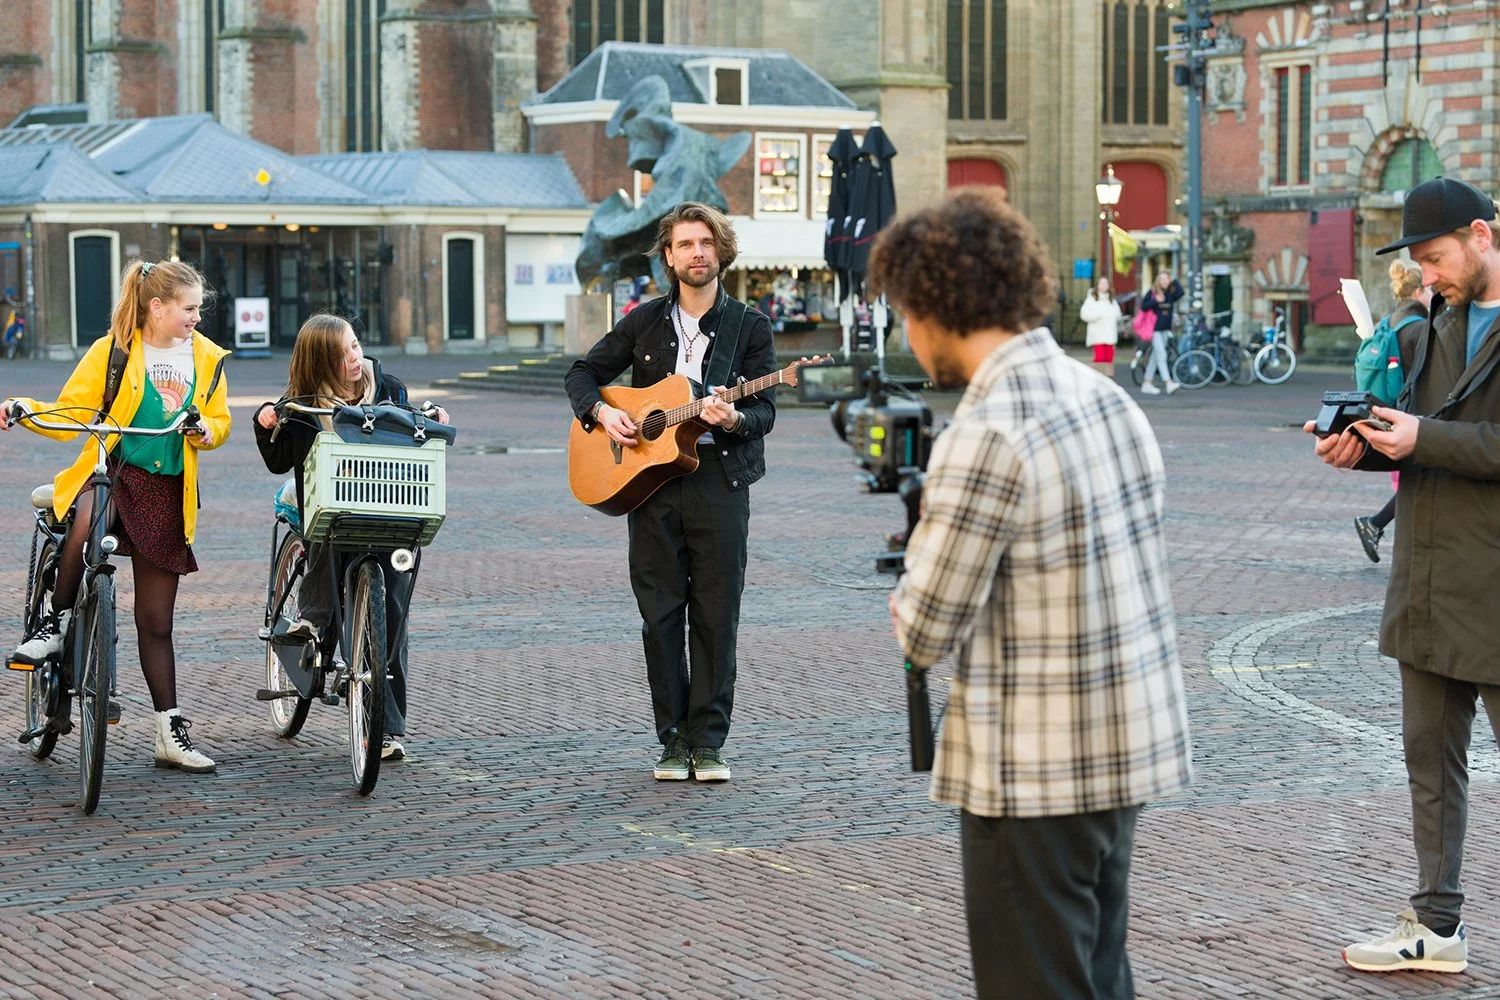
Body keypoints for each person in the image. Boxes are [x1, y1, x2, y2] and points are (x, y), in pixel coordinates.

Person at [876, 188, 1192, 999]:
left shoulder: (985, 434)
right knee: (1097, 973)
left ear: (937, 304)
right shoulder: (1105, 397)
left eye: (905, 313)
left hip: (1032, 771)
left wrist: (910, 579)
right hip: (1123, 749)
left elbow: (926, 628)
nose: (906, 337)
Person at [1308, 176, 1500, 975]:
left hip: (1493, 587)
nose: (1429, 277)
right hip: (1425, 581)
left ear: (1484, 235)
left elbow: (1460, 441)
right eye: (1420, 265)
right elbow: (1415, 436)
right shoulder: (1432, 327)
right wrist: (1361, 445)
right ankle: (1437, 925)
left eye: (1437, 258)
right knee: (1429, 760)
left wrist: (1421, 438)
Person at [564, 201, 777, 783]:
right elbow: (582, 373)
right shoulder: (643, 320)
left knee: (716, 615)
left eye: (706, 242)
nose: (697, 253)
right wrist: (603, 418)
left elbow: (764, 412)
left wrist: (731, 420)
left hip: (719, 482)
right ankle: (671, 739)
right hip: (649, 484)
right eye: (685, 244)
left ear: (721, 250)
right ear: (668, 256)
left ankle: (708, 743)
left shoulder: (749, 327)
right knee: (659, 616)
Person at [3, 260, 231, 773]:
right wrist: (23, 406)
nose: (197, 318)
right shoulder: (113, 352)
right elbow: (71, 415)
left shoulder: (208, 358)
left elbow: (220, 422)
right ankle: (55, 622)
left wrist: (206, 432)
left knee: (156, 621)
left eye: (198, 309)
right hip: (114, 470)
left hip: (167, 487)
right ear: (157, 306)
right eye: (189, 308)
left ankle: (169, 732)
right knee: (86, 516)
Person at [252, 314, 447, 761]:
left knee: (391, 619)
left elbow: (415, 428)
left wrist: (432, 417)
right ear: (320, 362)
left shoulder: (390, 388)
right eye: (342, 354)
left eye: (356, 346)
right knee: (325, 542)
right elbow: (279, 460)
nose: (355, 358)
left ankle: (387, 728)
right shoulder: (301, 404)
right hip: (332, 511)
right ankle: (312, 620)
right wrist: (265, 423)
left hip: (392, 508)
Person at [1353, 260, 1431, 563]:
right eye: (1429, 289)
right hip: (1413, 417)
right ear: (1417, 290)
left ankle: (1376, 526)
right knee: (1418, 484)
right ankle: (1375, 526)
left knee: (1411, 485)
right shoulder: (1419, 328)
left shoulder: (1389, 320)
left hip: (1387, 413)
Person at [1139, 269, 1183, 395]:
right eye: (1162, 279)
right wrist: (1155, 301)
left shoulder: (1170, 294)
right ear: (1158, 281)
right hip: (1154, 330)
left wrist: (1174, 279)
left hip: (1165, 329)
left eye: (1166, 279)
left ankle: (1147, 383)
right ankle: (1168, 383)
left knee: (1155, 356)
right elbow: (1143, 307)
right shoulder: (1152, 293)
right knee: (1162, 355)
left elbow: (1181, 293)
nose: (1164, 281)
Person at [1080, 277, 1123, 380]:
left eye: (1105, 284)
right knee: (1100, 357)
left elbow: (1118, 314)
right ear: (1097, 286)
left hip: (1110, 334)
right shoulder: (1091, 299)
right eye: (1101, 283)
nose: (1103, 286)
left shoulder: (1112, 300)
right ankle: (1098, 379)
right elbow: (1084, 314)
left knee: (1109, 358)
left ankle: (1108, 379)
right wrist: (1098, 316)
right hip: (1097, 335)